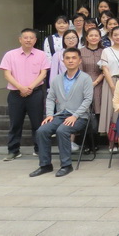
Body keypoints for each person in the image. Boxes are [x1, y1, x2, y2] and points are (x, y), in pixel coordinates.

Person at [29, 47, 92, 177]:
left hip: (80, 116)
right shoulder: (57, 79)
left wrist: (75, 116)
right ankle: (45, 165)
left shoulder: (85, 78)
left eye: (74, 58)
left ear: (80, 60)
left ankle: (66, 165)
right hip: (60, 115)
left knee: (62, 130)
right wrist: (49, 114)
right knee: (42, 131)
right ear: (63, 61)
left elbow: (88, 100)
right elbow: (50, 98)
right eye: (67, 58)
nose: (70, 61)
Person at [0, 28, 50, 161]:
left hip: (35, 93)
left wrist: (30, 88)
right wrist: (21, 88)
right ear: (20, 39)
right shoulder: (10, 55)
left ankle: (39, 149)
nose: (28, 40)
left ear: (35, 40)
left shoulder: (41, 55)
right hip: (15, 94)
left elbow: (43, 73)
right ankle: (13, 151)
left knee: (37, 123)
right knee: (15, 123)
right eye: (25, 37)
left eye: (31, 38)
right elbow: (7, 74)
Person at [98, 27, 119, 140]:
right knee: (111, 110)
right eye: (115, 35)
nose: (118, 37)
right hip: (110, 82)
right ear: (111, 36)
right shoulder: (106, 51)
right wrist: (112, 86)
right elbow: (105, 69)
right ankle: (112, 140)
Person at [80, 28, 104, 121]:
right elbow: (79, 70)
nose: (93, 38)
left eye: (96, 35)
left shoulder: (104, 51)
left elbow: (105, 70)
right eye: (91, 35)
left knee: (99, 108)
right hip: (84, 82)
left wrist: (95, 82)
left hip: (101, 82)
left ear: (100, 38)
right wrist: (87, 83)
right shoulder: (81, 51)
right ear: (86, 38)